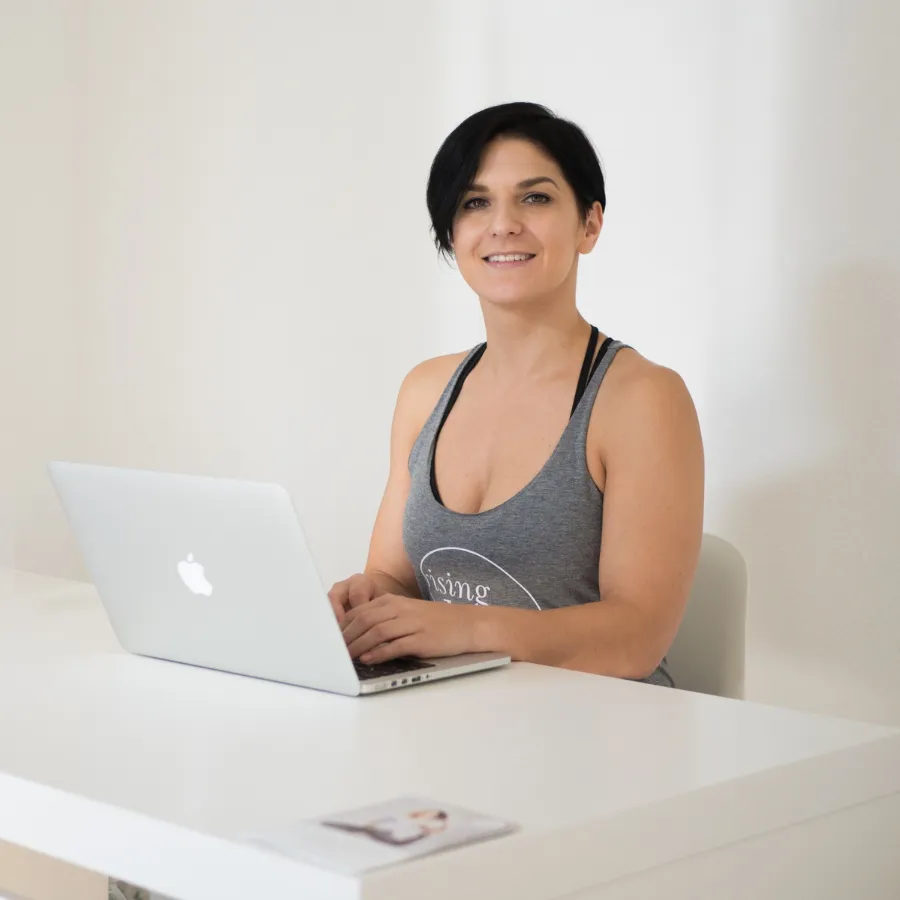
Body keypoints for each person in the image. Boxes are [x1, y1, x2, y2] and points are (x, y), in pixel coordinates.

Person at [329, 102, 704, 686]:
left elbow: (638, 636)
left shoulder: (642, 399)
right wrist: (366, 600)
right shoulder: (426, 390)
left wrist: (468, 628)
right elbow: (394, 576)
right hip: (448, 722)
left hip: (602, 740)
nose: (502, 224)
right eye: (475, 203)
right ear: (452, 235)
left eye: (535, 197)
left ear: (590, 224)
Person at [322, 808, 449, 846]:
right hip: (390, 834)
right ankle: (330, 827)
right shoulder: (413, 818)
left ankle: (330, 827)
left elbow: (401, 837)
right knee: (361, 830)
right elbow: (392, 820)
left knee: (361, 831)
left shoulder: (423, 824)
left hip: (393, 837)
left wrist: (425, 832)